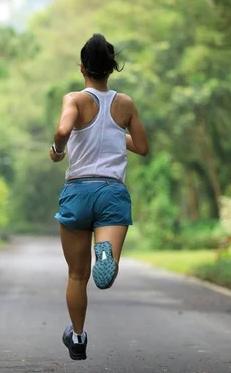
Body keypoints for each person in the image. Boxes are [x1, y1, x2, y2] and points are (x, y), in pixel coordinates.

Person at [49, 33, 149, 361]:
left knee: (78, 275)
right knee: (103, 265)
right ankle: (106, 256)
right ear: (112, 68)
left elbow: (63, 131)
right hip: (112, 193)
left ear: (82, 68)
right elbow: (143, 147)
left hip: (78, 191)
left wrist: (57, 150)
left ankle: (77, 338)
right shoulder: (126, 103)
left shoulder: (75, 100)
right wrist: (116, 136)